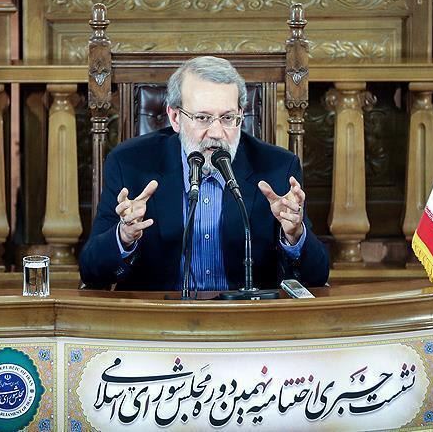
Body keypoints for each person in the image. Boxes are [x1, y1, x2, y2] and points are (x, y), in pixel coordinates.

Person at [79, 56, 329, 291]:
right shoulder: (129, 164)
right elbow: (91, 273)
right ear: (175, 117)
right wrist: (124, 237)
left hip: (246, 316)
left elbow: (317, 278)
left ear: (241, 115)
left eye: (228, 118)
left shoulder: (277, 168)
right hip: (160, 316)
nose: (217, 133)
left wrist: (294, 236)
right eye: (202, 118)